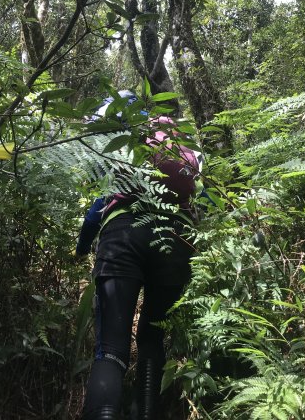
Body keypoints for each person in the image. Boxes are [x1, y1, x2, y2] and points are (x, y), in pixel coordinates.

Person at [77, 95, 200, 420]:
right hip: (176, 241)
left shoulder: (126, 154)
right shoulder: (181, 152)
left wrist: (80, 249)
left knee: (112, 349)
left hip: (123, 237)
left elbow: (94, 215)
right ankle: (146, 412)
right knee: (152, 338)